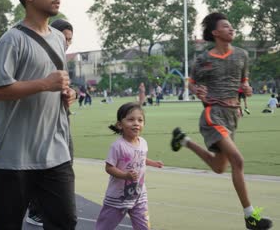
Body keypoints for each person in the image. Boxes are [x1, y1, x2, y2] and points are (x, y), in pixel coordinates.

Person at [0, 0, 77, 229]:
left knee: (64, 223)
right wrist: (44, 84)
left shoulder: (60, 39)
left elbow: (56, 84)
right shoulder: (12, 40)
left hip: (55, 152)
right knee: (7, 224)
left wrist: (66, 93)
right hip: (16, 156)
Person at [171, 13, 273, 230]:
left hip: (232, 115)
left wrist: (247, 90)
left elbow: (245, 87)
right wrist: (196, 89)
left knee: (219, 167)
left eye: (232, 26)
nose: (231, 29)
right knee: (238, 160)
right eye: (226, 26)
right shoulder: (203, 59)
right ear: (216, 33)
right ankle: (250, 217)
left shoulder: (242, 55)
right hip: (213, 114)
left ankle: (184, 140)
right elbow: (191, 83)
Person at [25, 18, 75, 226]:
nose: (67, 43)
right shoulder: (34, 55)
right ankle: (35, 209)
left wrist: (69, 94)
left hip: (60, 124)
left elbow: (62, 91)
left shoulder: (61, 58)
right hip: (34, 127)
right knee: (37, 169)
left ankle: (43, 209)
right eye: (64, 38)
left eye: (70, 40)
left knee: (65, 162)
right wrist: (45, 84)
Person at [95, 102, 163, 230]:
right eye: (131, 120)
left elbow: (140, 158)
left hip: (139, 195)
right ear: (120, 124)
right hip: (118, 198)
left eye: (140, 120)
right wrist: (125, 175)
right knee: (104, 227)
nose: (136, 123)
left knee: (143, 227)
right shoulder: (118, 146)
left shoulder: (143, 142)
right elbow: (109, 167)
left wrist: (153, 163)